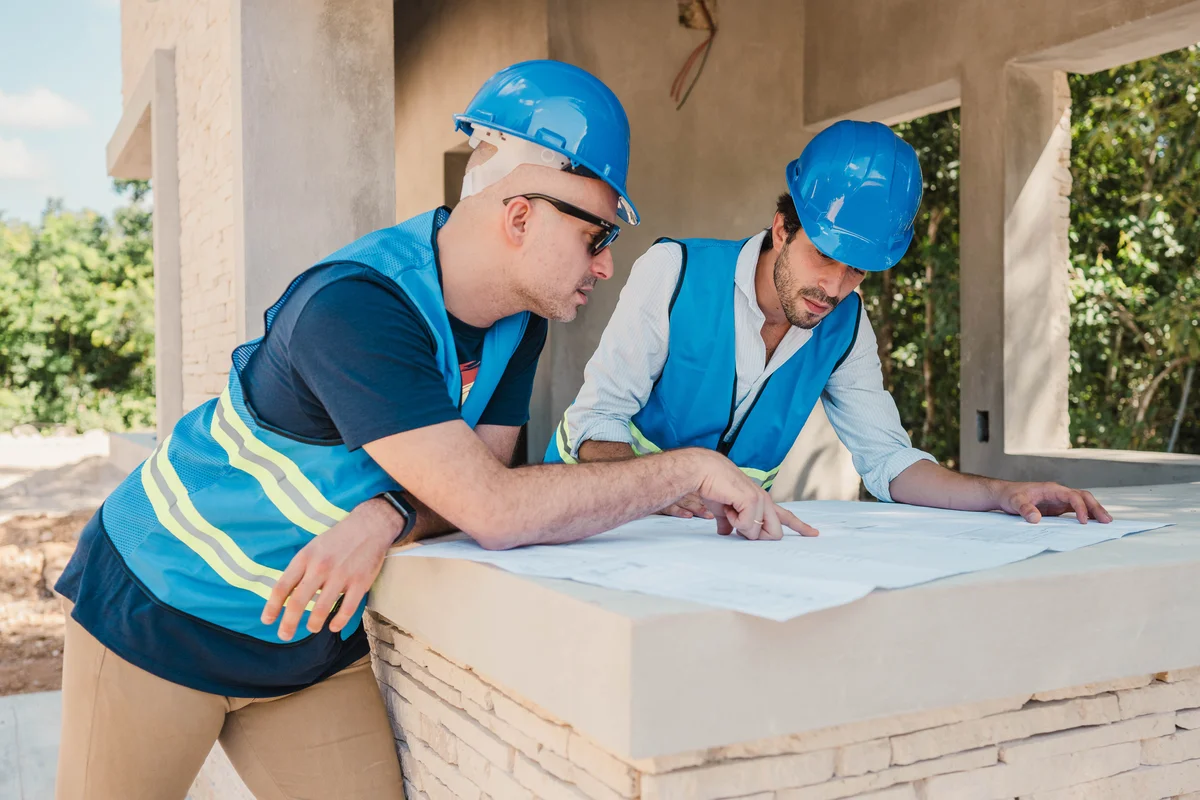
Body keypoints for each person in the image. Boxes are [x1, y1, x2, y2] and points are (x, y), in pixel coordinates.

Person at [54, 59, 807, 800]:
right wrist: (685, 468)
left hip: (304, 636)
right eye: (597, 238)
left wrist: (387, 514)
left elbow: (475, 488)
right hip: (160, 608)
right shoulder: (357, 308)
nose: (607, 266)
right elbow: (497, 510)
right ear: (520, 216)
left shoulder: (520, 325)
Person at [545, 120, 1112, 527]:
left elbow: (889, 462)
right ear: (781, 229)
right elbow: (599, 418)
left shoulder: (846, 329)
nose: (835, 289)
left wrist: (1004, 494)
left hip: (715, 545)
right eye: (824, 257)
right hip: (593, 521)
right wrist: (656, 491)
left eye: (858, 271)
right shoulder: (674, 271)